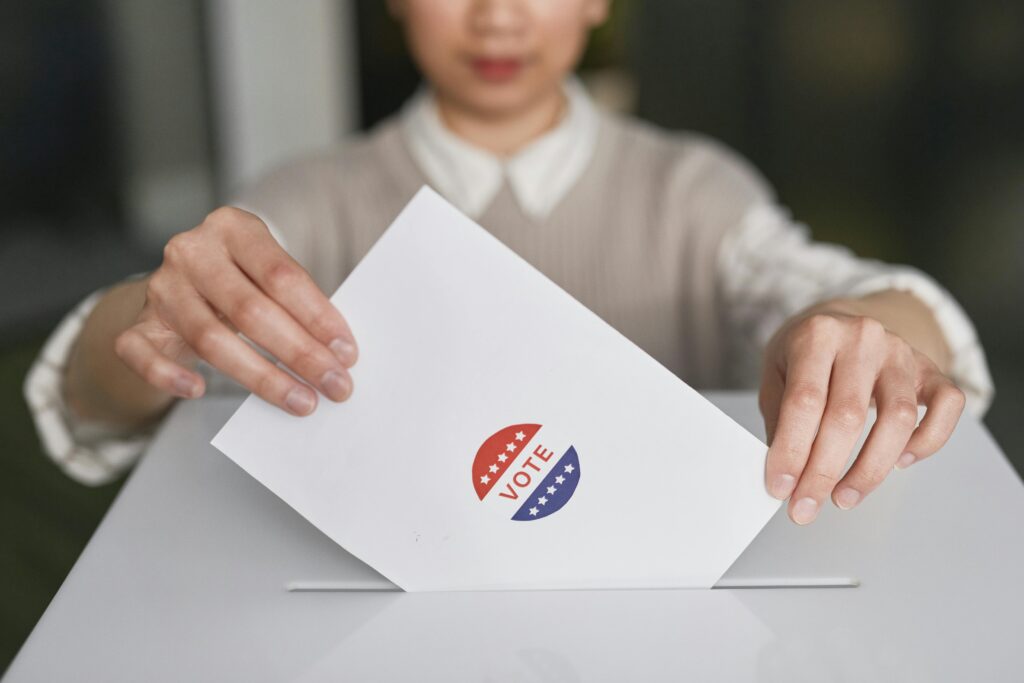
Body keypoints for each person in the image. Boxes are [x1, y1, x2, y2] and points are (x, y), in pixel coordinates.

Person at [25, 0, 992, 526]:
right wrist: (148, 321)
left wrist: (865, 337)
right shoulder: (307, 198)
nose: (496, 17)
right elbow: (88, 400)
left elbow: (834, 292)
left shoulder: (692, 187)